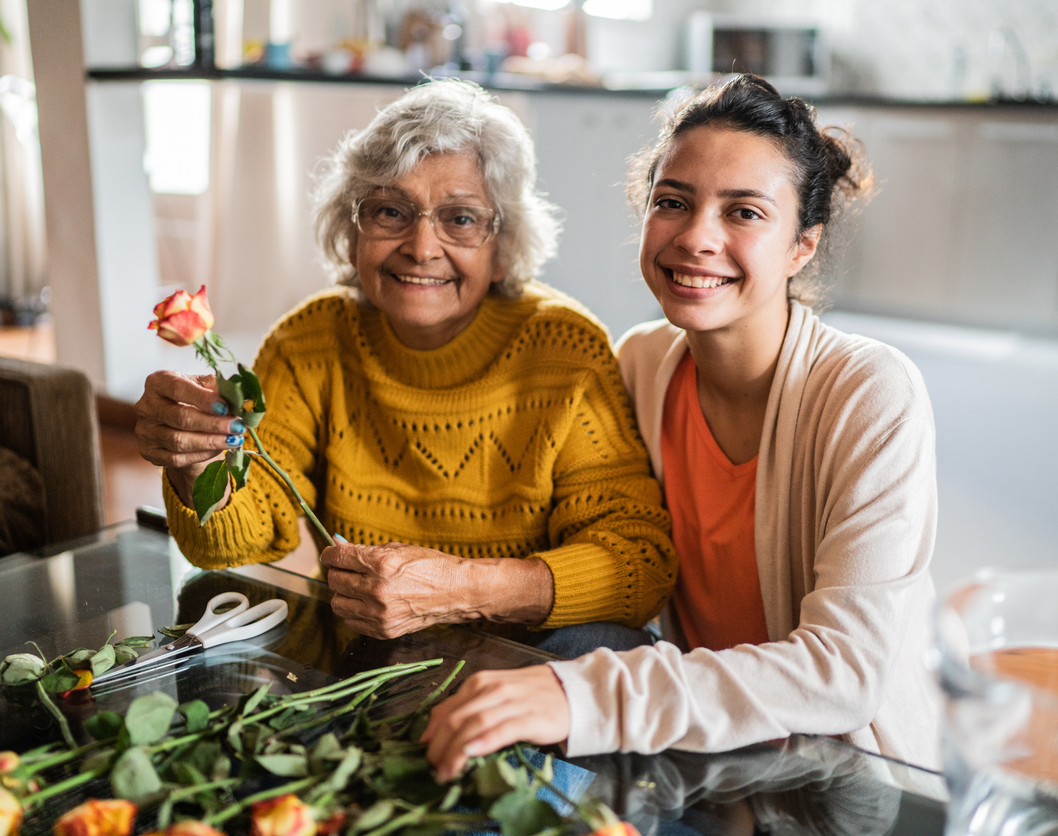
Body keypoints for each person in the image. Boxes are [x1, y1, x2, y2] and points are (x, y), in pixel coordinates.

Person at [421, 74, 941, 773]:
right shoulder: (638, 362)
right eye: (673, 202)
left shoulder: (867, 392)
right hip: (703, 748)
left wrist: (581, 699)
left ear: (802, 247)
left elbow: (840, 674)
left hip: (843, 775)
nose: (696, 237)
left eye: (744, 213)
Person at [134, 79, 676, 650]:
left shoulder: (565, 352)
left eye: (461, 219)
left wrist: (462, 588)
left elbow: (637, 565)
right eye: (391, 211)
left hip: (525, 665)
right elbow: (236, 543)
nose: (421, 247)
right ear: (352, 232)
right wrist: (197, 461)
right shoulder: (310, 343)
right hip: (371, 658)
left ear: (502, 245)